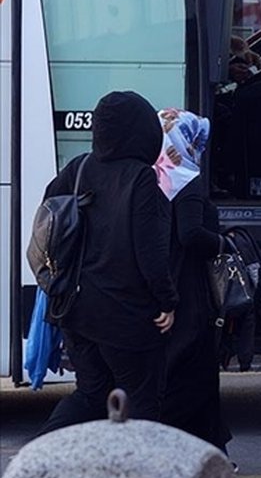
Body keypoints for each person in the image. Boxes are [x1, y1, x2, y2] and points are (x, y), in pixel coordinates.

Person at [38, 91, 179, 435]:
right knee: (144, 400)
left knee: (90, 393)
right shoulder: (141, 178)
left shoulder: (79, 166)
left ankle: (38, 453)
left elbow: (48, 222)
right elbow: (150, 249)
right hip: (124, 313)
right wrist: (167, 300)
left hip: (75, 306)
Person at [156, 109, 232, 454]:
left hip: (169, 282)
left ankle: (213, 448)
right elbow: (190, 235)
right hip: (189, 290)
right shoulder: (185, 180)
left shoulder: (158, 176)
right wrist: (220, 243)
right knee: (193, 373)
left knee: (193, 374)